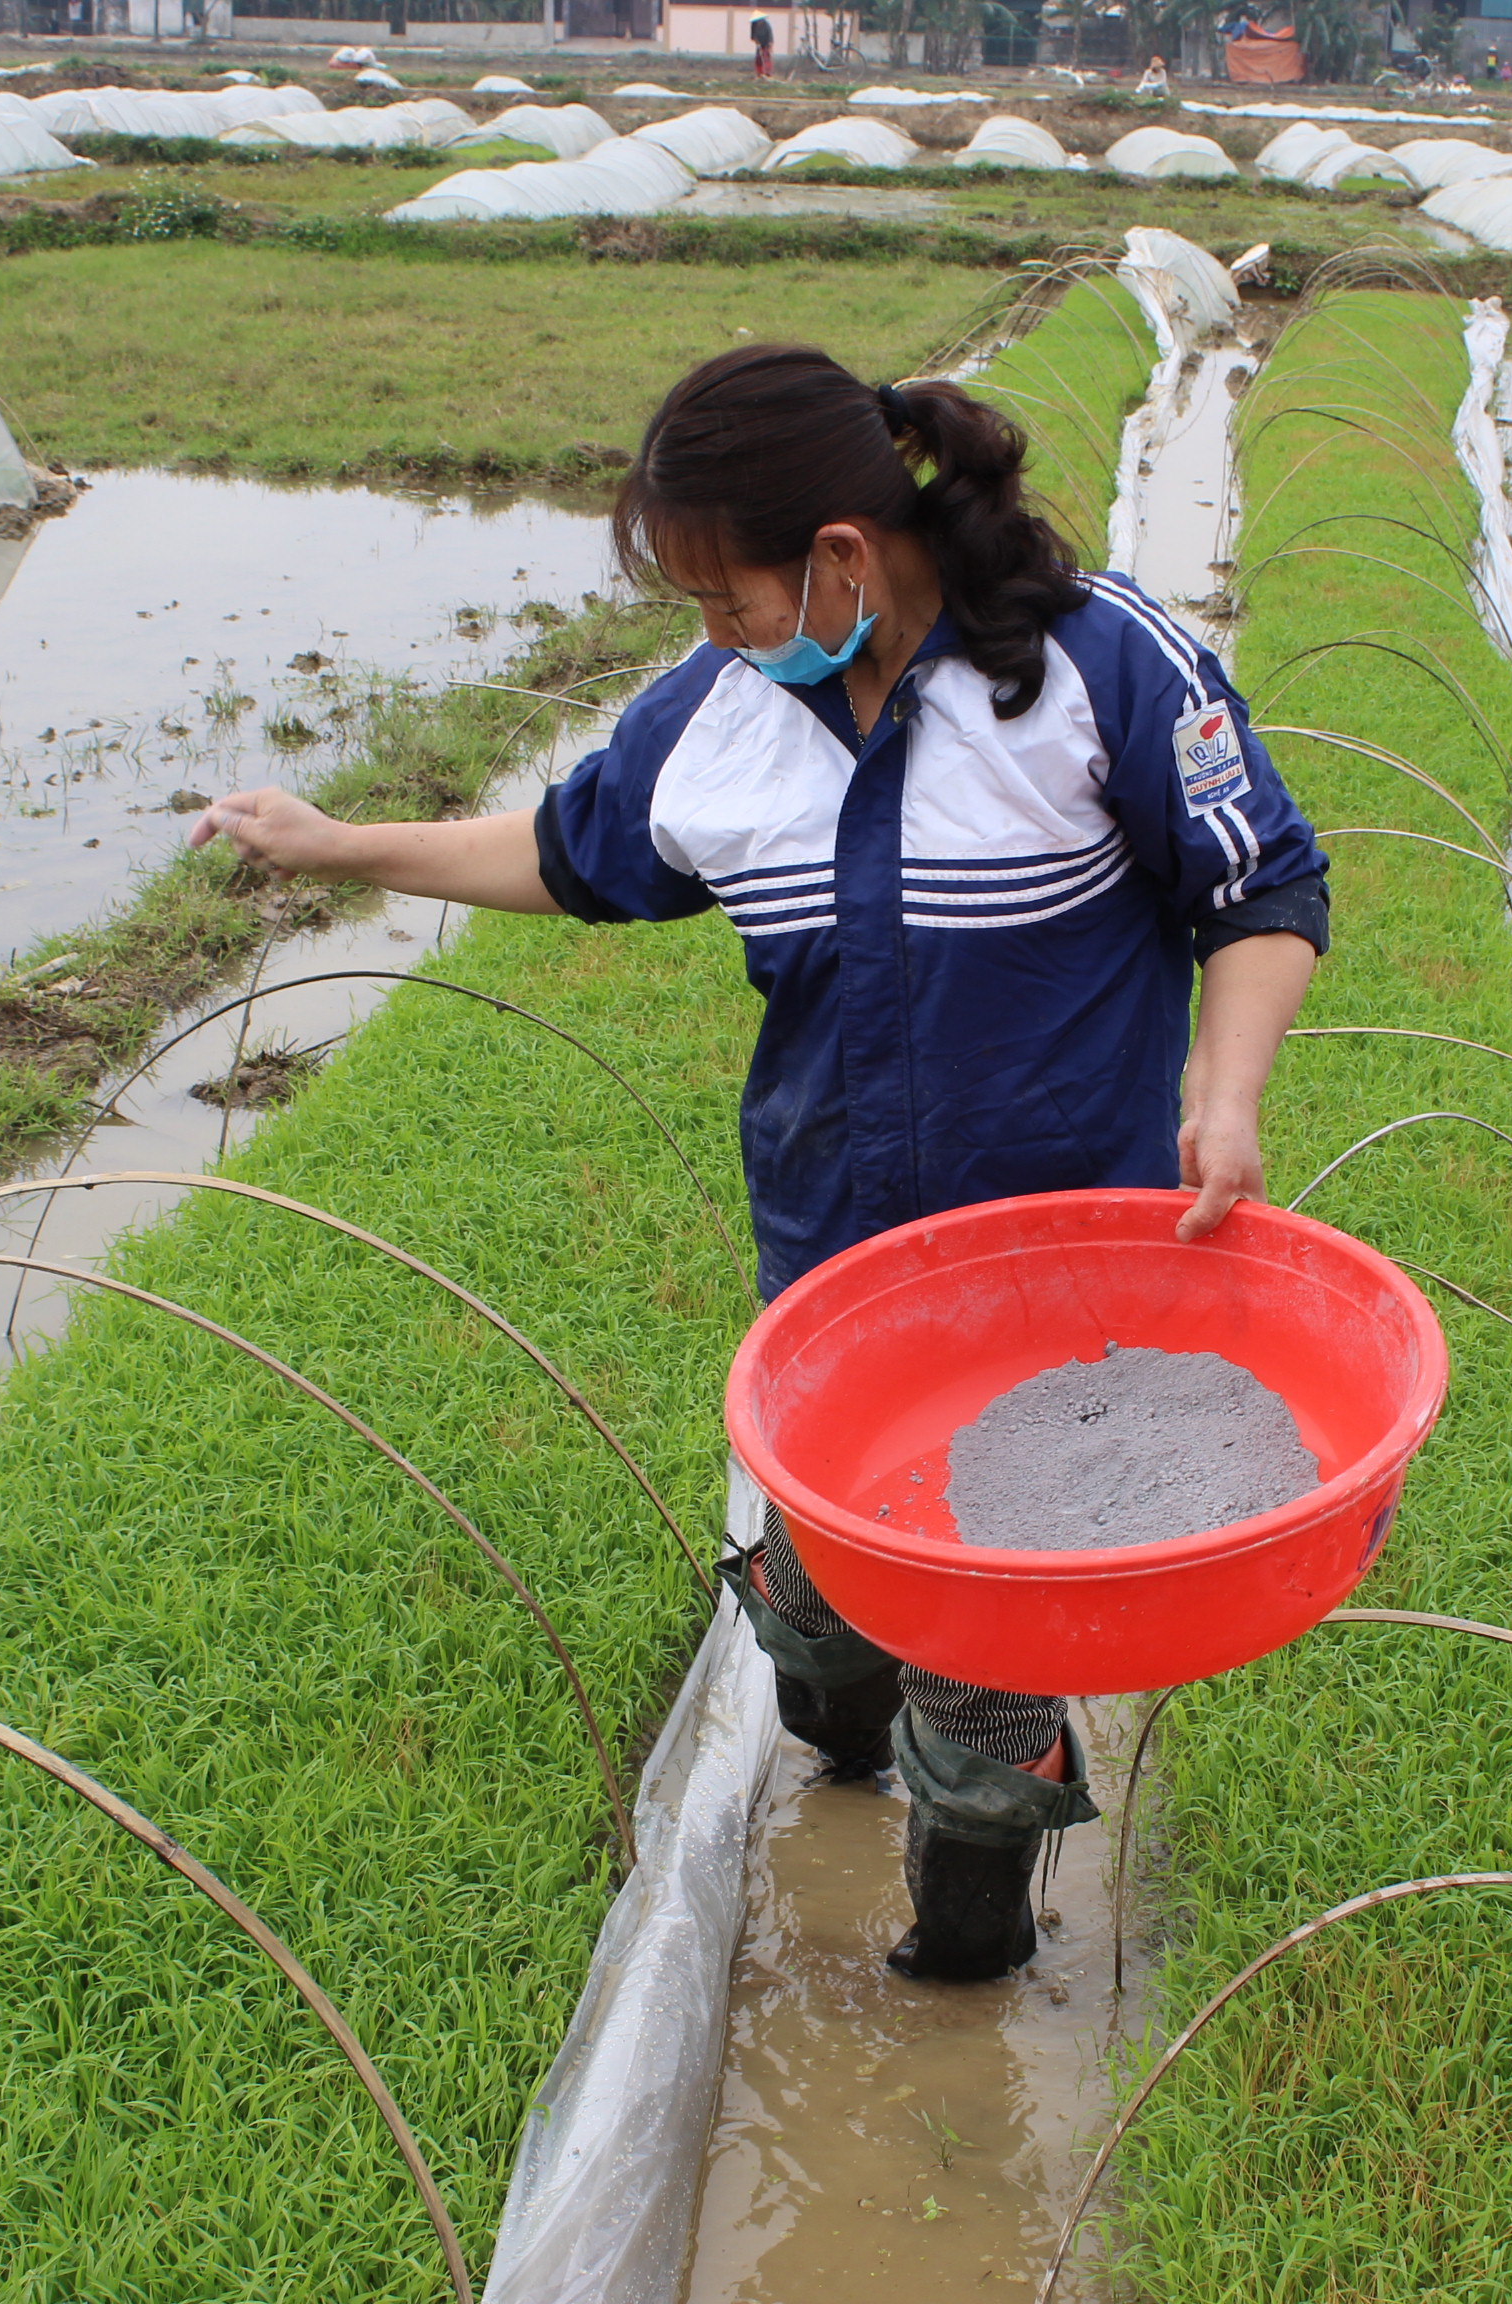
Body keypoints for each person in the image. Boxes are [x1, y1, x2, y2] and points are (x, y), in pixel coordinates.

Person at [192, 348, 1328, 1986]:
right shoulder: (721, 712)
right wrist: (340, 843)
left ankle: (961, 1968)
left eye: (727, 598)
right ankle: (841, 1729)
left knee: (987, 1677)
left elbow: (1260, 885)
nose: (713, 635)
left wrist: (1224, 1095)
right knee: (821, 1614)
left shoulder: (1101, 673)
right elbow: (571, 849)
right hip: (832, 1276)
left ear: (843, 558)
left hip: (1054, 1300)